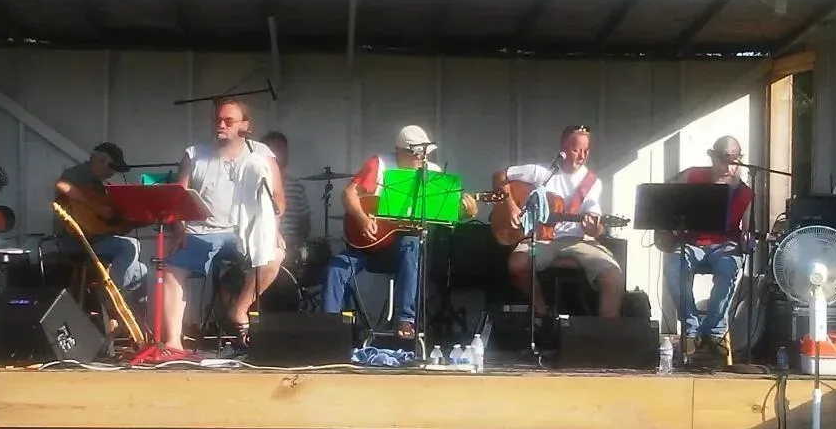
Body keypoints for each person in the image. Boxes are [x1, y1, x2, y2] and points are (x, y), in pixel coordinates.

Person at [322, 124, 475, 340]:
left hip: (399, 251)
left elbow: (441, 217)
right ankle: (327, 332)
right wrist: (363, 219)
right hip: (369, 245)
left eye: (423, 153)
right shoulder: (380, 163)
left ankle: (406, 320)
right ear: (400, 151)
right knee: (334, 270)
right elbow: (349, 194)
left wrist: (461, 213)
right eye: (415, 153)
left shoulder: (433, 174)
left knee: (411, 244)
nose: (420, 158)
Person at [158, 97, 284, 351]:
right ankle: (173, 343)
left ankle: (239, 310)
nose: (221, 125)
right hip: (200, 232)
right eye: (218, 120)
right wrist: (179, 229)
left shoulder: (261, 153)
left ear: (245, 125)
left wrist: (274, 229)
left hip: (245, 232)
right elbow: (178, 197)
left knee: (276, 255)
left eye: (229, 120)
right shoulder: (195, 154)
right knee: (171, 268)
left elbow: (277, 198)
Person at [494, 124, 622, 319]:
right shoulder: (542, 172)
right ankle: (541, 313)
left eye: (586, 151)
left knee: (612, 276)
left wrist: (595, 228)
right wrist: (511, 206)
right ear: (562, 149)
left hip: (577, 240)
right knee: (516, 264)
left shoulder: (592, 182)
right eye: (576, 150)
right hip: (541, 239)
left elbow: (595, 224)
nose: (582, 156)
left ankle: (606, 334)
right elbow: (500, 175)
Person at [663, 135, 754, 369]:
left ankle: (713, 333)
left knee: (729, 269)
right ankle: (692, 330)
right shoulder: (693, 176)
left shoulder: (745, 193)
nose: (728, 166)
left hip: (725, 245)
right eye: (723, 160)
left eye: (734, 161)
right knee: (674, 266)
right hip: (691, 241)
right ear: (712, 157)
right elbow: (664, 195)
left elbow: (747, 229)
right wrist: (668, 223)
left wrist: (747, 237)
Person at [53, 141, 147, 297]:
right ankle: (112, 299)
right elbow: (62, 185)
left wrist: (140, 220)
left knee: (142, 271)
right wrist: (98, 209)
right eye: (112, 168)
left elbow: (103, 224)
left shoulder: (99, 188)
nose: (112, 174)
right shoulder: (81, 172)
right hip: (75, 242)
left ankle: (127, 314)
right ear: (100, 160)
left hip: (96, 240)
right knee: (130, 245)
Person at [260, 131, 310, 273]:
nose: (280, 155)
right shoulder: (254, 186)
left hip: (290, 248)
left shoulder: (296, 187)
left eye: (283, 149)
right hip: (261, 247)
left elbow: (305, 223)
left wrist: (297, 242)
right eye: (275, 149)